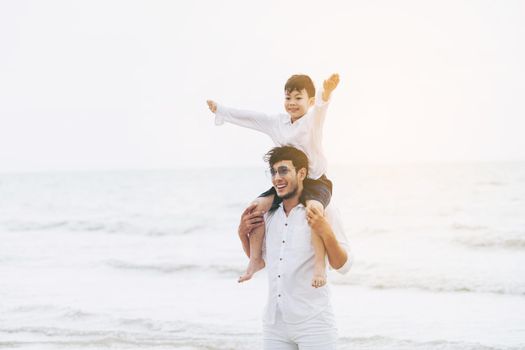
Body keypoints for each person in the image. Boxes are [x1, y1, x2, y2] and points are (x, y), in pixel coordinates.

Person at [207, 73, 340, 288]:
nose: (292, 103)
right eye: (288, 98)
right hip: (287, 182)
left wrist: (326, 93)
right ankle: (255, 261)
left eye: (298, 98)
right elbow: (252, 118)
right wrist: (222, 110)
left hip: (315, 181)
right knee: (254, 208)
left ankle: (319, 266)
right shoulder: (277, 123)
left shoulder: (311, 121)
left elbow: (322, 109)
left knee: (314, 210)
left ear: (310, 101)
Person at [238, 146, 352, 350]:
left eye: (283, 171)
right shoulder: (269, 214)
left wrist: (325, 230)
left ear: (302, 173)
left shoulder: (324, 211)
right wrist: (241, 232)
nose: (277, 178)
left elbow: (343, 265)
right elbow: (264, 260)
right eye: (273, 172)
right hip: (274, 324)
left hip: (314, 324)